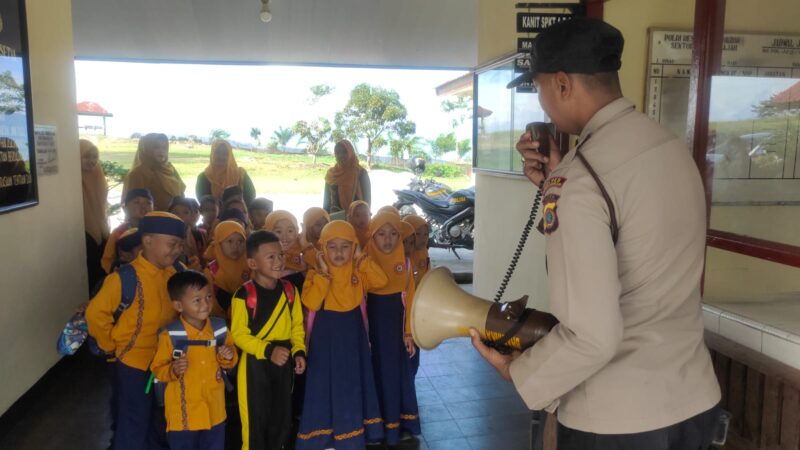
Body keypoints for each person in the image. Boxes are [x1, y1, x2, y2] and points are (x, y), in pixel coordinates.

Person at [469, 18, 721, 449]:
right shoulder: (672, 149)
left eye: (540, 87)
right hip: (693, 402)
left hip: (618, 420)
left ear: (563, 84)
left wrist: (518, 371)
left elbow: (593, 336)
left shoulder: (581, 180)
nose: (543, 104)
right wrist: (555, 182)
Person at [86, 211, 187, 450]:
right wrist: (111, 346)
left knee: (160, 419)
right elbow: (95, 314)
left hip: (166, 362)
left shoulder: (176, 272)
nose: (176, 250)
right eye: (171, 244)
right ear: (148, 241)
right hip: (133, 365)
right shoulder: (124, 279)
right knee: (133, 422)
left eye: (180, 245)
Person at [296, 221, 387, 449]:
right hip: (324, 342)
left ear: (354, 247)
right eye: (332, 246)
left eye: (345, 246)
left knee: (351, 384)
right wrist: (324, 275)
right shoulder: (315, 275)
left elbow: (381, 281)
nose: (338, 252)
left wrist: (361, 258)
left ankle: (351, 433)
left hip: (352, 340)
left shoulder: (358, 273)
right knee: (323, 384)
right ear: (323, 249)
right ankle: (323, 436)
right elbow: (311, 302)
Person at [231, 230, 306, 450]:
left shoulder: (290, 290)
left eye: (280, 255)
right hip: (255, 363)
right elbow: (239, 334)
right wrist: (267, 350)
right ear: (252, 263)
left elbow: (296, 327)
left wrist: (298, 351)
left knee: (281, 420)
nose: (279, 261)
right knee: (255, 422)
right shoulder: (244, 295)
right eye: (270, 257)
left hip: (283, 363)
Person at [151, 270, 238, 450]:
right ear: (178, 305)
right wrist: (173, 369)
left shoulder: (220, 329)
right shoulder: (170, 335)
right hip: (183, 418)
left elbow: (230, 361)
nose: (205, 304)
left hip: (215, 413)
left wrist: (228, 356)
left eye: (208, 297)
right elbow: (158, 369)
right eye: (197, 300)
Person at [364, 212, 420, 445]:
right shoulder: (364, 263)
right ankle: (374, 428)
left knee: (395, 375)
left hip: (395, 332)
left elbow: (412, 303)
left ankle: (397, 425)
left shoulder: (405, 265)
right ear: (372, 235)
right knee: (373, 374)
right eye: (381, 233)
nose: (387, 239)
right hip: (373, 331)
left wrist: (409, 333)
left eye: (393, 233)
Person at [122, 133, 186, 211]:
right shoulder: (138, 174)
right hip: (151, 221)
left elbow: (181, 193)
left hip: (174, 219)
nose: (161, 151)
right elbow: (132, 206)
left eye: (164, 147)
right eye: (156, 147)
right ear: (146, 149)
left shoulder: (169, 168)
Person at [80, 139, 110, 292]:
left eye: (94, 156)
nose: (92, 161)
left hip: (100, 227)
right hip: (83, 232)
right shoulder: (72, 179)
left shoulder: (97, 174)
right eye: (86, 156)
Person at [101, 188, 154, 274]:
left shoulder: (158, 231)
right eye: (137, 202)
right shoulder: (118, 232)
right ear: (125, 208)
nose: (144, 206)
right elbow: (107, 260)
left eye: (148, 203)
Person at [204, 220, 250, 318]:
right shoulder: (211, 271)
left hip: (246, 318)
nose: (235, 246)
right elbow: (210, 300)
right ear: (219, 244)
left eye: (240, 241)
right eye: (229, 241)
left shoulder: (250, 265)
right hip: (219, 321)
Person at [196, 139, 256, 205]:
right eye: (217, 152)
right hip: (214, 215)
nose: (221, 157)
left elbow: (250, 196)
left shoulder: (240, 174)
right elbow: (203, 201)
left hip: (238, 213)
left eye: (225, 153)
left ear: (230, 155)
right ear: (212, 154)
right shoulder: (203, 177)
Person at [323, 140, 371, 215]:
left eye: (345, 152)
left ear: (351, 152)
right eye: (338, 152)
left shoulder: (361, 173)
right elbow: (326, 202)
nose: (341, 155)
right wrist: (325, 218)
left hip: (356, 220)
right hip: (336, 219)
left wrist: (365, 218)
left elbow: (367, 200)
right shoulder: (331, 174)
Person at [263, 210, 306, 292]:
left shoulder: (303, 256)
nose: (285, 237)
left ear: (297, 231)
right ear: (267, 232)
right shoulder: (262, 259)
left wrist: (306, 247)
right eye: (278, 232)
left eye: (290, 231)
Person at [168, 196, 204, 270]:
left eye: (186, 212)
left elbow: (202, 262)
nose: (180, 216)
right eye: (176, 212)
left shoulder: (197, 235)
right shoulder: (164, 238)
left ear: (191, 216)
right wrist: (187, 270)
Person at [402, 215, 430, 286]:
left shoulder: (424, 252)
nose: (423, 239)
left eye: (426, 234)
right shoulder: (403, 255)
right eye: (417, 234)